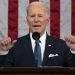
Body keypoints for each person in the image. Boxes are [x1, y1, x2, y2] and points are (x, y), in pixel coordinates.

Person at [0, 1, 75, 67]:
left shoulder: (61, 45)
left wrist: (74, 51)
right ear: (27, 20)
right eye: (32, 16)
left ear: (47, 20)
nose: (36, 20)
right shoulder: (15, 45)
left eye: (40, 16)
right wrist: (3, 52)